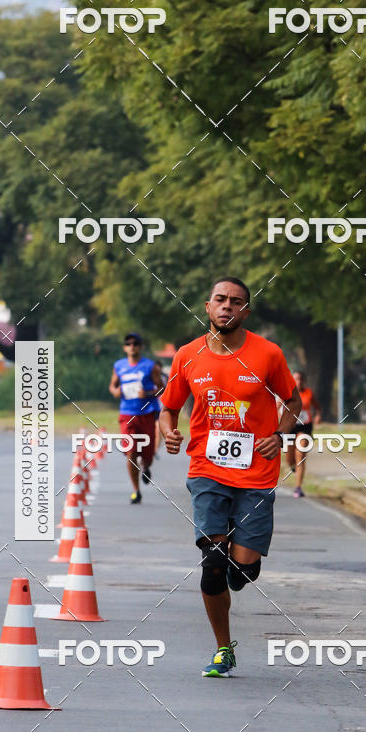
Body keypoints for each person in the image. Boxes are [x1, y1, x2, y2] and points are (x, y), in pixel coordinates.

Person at [159, 276, 301, 677]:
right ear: (207, 307)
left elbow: (293, 400)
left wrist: (279, 434)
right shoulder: (187, 355)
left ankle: (244, 569)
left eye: (236, 301)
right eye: (220, 299)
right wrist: (168, 431)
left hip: (256, 474)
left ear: (245, 311)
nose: (227, 306)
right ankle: (224, 648)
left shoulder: (268, 354)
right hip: (206, 471)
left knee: (241, 571)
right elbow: (169, 407)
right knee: (213, 563)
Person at [109, 332, 163, 504]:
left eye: (135, 343)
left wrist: (147, 393)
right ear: (125, 347)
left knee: (148, 453)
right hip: (127, 414)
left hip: (146, 414)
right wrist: (115, 391)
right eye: (129, 344)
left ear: (140, 347)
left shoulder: (150, 366)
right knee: (130, 452)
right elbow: (113, 385)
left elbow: (162, 389)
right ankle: (136, 490)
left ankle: (146, 466)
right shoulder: (119, 365)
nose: (132, 346)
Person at [285, 370, 321, 498]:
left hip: (305, 427)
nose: (298, 381)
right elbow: (276, 406)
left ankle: (298, 487)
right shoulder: (286, 392)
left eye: (300, 379)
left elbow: (317, 407)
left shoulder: (309, 393)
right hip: (289, 426)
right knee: (289, 458)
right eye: (295, 379)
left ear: (304, 381)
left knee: (300, 454)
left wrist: (318, 415)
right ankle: (292, 466)